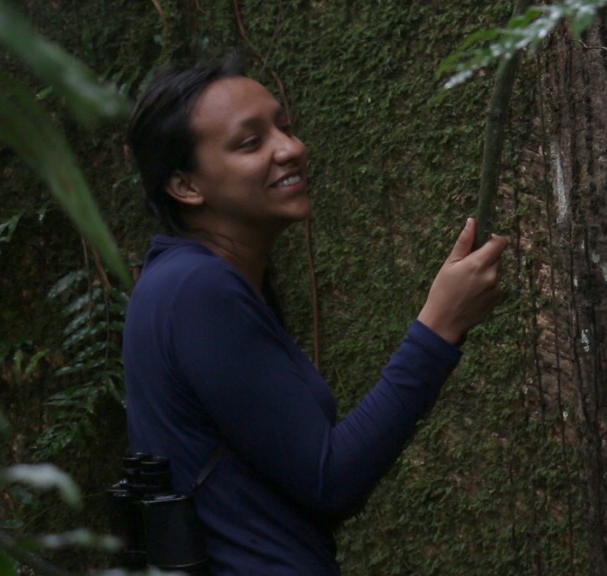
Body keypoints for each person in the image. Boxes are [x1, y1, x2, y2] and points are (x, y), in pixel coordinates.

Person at [122, 57, 508, 575]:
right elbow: (331, 479)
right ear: (186, 186)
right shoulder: (196, 289)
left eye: (284, 127)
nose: (291, 148)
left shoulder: (180, 282)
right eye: (250, 142)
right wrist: (439, 327)